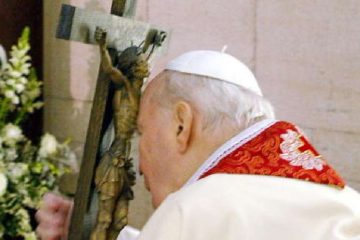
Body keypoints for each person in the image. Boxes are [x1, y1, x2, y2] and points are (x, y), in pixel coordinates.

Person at [36, 50, 360, 240]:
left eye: (142, 133)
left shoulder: (195, 209)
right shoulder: (337, 199)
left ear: (182, 124)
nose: (139, 163)